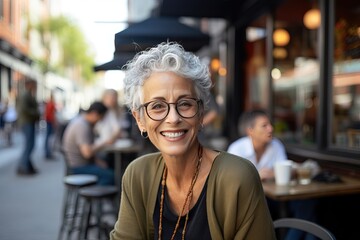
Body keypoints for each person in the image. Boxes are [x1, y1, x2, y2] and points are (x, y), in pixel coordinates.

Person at [109, 42, 275, 239]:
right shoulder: (137, 175)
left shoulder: (237, 177)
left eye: (185, 103)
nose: (173, 118)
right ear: (140, 120)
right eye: (157, 106)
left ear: (201, 113)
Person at [227, 109, 318, 240]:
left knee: (308, 205)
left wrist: (274, 173)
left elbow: (285, 169)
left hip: (276, 197)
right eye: (264, 125)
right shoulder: (237, 149)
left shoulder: (276, 145)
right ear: (250, 130)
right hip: (248, 201)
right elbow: (231, 182)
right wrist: (256, 175)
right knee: (310, 218)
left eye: (270, 124)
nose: (271, 129)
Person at [62, 101, 115, 185]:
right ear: (94, 114)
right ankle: (94, 196)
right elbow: (87, 153)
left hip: (79, 164)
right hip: (78, 167)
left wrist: (98, 161)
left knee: (109, 162)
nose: (99, 121)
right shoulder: (82, 126)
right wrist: (104, 143)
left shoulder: (82, 122)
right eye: (100, 118)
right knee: (110, 175)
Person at [16, 79, 40, 175]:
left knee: (30, 144)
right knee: (29, 145)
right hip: (27, 122)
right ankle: (23, 166)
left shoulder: (28, 94)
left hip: (29, 121)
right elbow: (24, 109)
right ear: (29, 85)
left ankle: (27, 165)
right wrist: (36, 113)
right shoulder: (24, 95)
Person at [44, 93, 57, 159]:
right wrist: (54, 122)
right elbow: (51, 114)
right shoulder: (51, 104)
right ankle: (47, 152)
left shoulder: (49, 104)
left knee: (48, 137)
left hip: (49, 121)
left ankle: (48, 151)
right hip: (50, 121)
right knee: (49, 137)